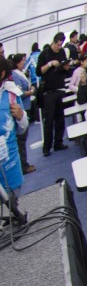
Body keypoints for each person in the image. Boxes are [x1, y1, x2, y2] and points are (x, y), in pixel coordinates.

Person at [38, 33, 72, 155]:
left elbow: (64, 69)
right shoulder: (44, 54)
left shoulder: (62, 52)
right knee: (49, 120)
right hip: (48, 91)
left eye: (61, 45)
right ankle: (46, 147)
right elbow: (39, 71)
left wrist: (66, 67)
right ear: (54, 42)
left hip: (60, 88)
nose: (59, 47)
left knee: (60, 118)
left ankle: (58, 143)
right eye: (58, 45)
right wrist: (50, 64)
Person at [0, 56, 25, 194]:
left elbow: (22, 129)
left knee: (14, 206)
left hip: (9, 163)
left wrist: (21, 116)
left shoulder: (11, 94)